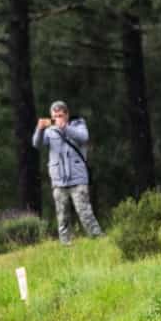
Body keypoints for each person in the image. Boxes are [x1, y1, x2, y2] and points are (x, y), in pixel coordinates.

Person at [32, 101, 102, 244]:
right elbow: (36, 144)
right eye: (54, 116)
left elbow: (84, 138)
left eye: (60, 115)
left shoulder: (78, 125)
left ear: (67, 115)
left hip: (77, 179)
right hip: (59, 180)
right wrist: (39, 129)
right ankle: (66, 244)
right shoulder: (50, 131)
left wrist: (65, 127)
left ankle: (98, 238)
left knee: (85, 213)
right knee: (62, 216)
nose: (57, 118)